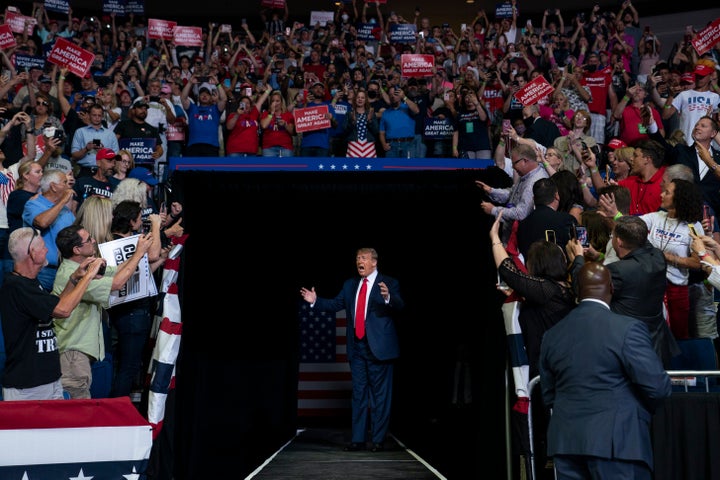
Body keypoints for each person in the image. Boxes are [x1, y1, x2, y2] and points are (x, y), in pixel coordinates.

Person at [539, 261, 672, 480]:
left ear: (576, 290)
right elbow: (657, 387)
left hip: (567, 444)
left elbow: (548, 395)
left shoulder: (552, 335)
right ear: (612, 288)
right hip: (619, 444)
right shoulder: (628, 329)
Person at [299, 248, 404, 452]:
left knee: (380, 396)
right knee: (358, 394)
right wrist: (316, 301)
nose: (359, 261)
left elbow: (400, 306)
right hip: (357, 348)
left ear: (374, 262)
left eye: (363, 258)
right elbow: (336, 304)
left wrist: (389, 296)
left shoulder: (389, 282)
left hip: (380, 349)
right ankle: (358, 439)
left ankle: (378, 440)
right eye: (357, 258)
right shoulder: (350, 285)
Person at [0, 227, 103, 401]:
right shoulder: (16, 287)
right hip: (28, 386)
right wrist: (88, 277)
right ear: (32, 253)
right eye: (42, 246)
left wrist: (74, 279)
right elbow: (63, 310)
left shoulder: (31, 283)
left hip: (50, 378)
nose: (47, 250)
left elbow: (54, 306)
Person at [52, 224, 154, 399]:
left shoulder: (83, 267)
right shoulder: (71, 273)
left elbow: (116, 272)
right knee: (77, 411)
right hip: (73, 353)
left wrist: (144, 254)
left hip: (77, 353)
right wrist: (138, 253)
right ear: (77, 249)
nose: (93, 240)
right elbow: (116, 284)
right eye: (89, 239)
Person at [568, 215, 680, 368]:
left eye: (612, 236)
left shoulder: (619, 271)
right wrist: (598, 256)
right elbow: (641, 244)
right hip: (656, 344)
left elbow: (583, 289)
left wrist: (578, 258)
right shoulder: (658, 257)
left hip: (629, 348)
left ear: (619, 241)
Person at [108, 200, 164, 398]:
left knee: (126, 365)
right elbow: (153, 254)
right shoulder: (123, 244)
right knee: (128, 367)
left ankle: (117, 407)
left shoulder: (115, 241)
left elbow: (142, 272)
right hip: (132, 313)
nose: (143, 222)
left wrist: (162, 258)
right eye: (140, 219)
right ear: (131, 222)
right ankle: (116, 412)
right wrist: (156, 225)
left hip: (127, 311)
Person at [476, 143, 550, 244]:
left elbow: (521, 214)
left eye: (514, 163)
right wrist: (491, 191)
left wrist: (493, 210)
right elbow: (512, 193)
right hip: (512, 236)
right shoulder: (526, 175)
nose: (513, 167)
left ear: (525, 161)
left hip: (523, 240)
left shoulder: (535, 182)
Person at [22, 168, 76, 291]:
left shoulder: (65, 211)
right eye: (64, 182)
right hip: (42, 271)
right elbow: (42, 222)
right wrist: (63, 201)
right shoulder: (33, 204)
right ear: (53, 186)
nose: (68, 187)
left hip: (64, 270)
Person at [516, 178, 577, 261]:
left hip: (529, 272)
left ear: (533, 199)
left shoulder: (522, 225)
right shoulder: (567, 220)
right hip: (560, 272)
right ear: (557, 196)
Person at [180, 77, 227, 157]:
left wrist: (218, 84)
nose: (204, 95)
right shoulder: (192, 108)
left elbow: (224, 99)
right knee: (193, 169)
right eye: (202, 94)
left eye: (207, 94)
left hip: (211, 146)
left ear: (211, 97)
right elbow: (183, 98)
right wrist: (190, 83)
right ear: (198, 97)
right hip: (193, 145)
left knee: (209, 169)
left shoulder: (215, 109)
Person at [70, 103, 121, 178]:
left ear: (102, 116)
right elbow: (74, 155)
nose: (97, 118)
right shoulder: (80, 132)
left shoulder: (110, 134)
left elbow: (116, 158)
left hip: (105, 171)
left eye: (99, 115)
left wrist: (103, 151)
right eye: (94, 115)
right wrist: (86, 149)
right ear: (89, 115)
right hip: (84, 170)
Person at [378, 85, 420, 158]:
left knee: (408, 168)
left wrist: (404, 97)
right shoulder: (385, 113)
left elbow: (416, 110)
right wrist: (383, 144)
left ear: (400, 94)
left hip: (408, 144)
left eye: (395, 94)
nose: (392, 96)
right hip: (391, 146)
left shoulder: (407, 107)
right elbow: (381, 133)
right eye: (390, 94)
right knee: (391, 169)